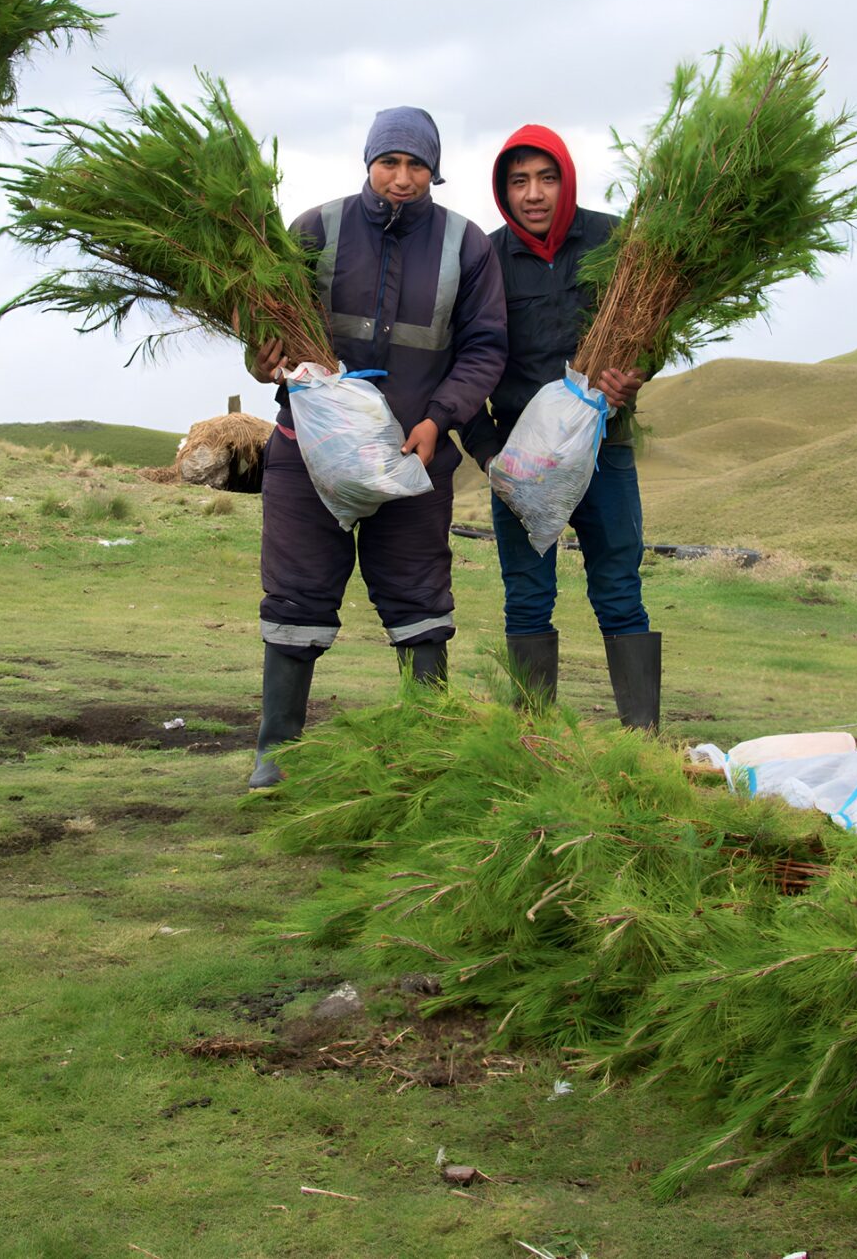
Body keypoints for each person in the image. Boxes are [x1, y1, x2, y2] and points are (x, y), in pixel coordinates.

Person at [242, 107, 508, 789]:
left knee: (420, 600)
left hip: (412, 456)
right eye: (390, 162)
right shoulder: (314, 229)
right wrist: (263, 360)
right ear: (369, 163)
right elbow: (266, 331)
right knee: (296, 595)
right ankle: (278, 754)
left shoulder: (466, 244)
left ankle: (426, 751)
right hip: (308, 454)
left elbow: (484, 348)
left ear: (434, 172)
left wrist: (440, 418)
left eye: (417, 165)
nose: (402, 176)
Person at [457, 126, 659, 726]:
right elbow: (464, 365)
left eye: (547, 178)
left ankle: (640, 745)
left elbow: (651, 330)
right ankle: (532, 739)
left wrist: (638, 372)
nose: (534, 194)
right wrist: (489, 455)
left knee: (620, 589)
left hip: (606, 450)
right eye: (519, 181)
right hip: (521, 461)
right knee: (527, 596)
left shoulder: (611, 240)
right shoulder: (484, 259)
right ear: (503, 190)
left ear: (566, 180)